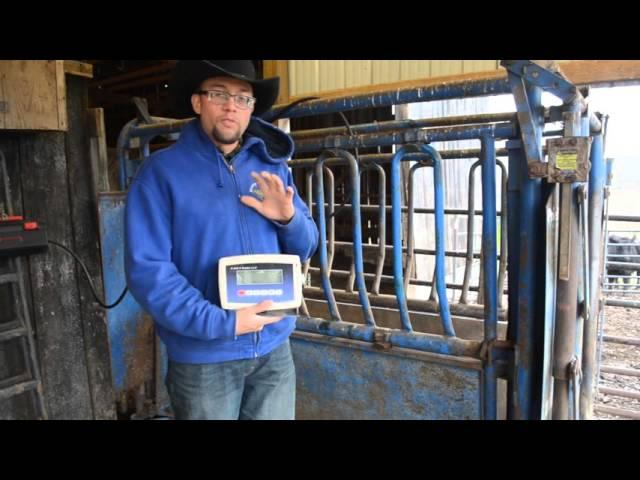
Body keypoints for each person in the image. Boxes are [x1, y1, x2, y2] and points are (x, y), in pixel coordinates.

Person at [124, 60, 318, 420]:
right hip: (204, 359)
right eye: (219, 94)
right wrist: (222, 324)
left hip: (273, 347)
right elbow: (148, 272)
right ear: (197, 102)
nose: (232, 106)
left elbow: (306, 246)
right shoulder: (160, 176)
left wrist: (289, 219)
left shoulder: (271, 166)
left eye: (244, 98)